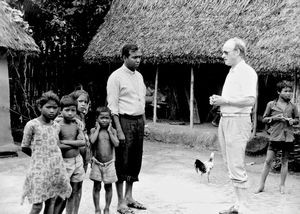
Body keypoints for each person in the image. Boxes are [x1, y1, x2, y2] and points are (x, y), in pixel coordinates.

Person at [209, 37, 258, 214]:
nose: (223, 56)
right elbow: (233, 98)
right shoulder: (233, 71)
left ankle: (244, 207)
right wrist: (219, 101)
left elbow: (249, 100)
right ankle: (238, 204)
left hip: (238, 121)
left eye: (226, 52)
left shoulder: (247, 72)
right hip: (226, 119)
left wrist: (225, 100)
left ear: (237, 52)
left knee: (236, 164)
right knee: (230, 163)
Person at [107, 44, 150, 214]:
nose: (138, 60)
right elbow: (113, 106)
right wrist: (119, 130)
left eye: (139, 57)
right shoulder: (116, 77)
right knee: (122, 161)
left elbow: (141, 103)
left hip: (138, 121)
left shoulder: (139, 76)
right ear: (124, 57)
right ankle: (120, 202)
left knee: (134, 160)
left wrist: (144, 124)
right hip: (124, 121)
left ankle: (129, 196)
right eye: (134, 57)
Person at [21, 91, 72, 214]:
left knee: (52, 200)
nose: (52, 111)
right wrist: (39, 158)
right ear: (40, 107)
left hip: (55, 169)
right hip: (39, 169)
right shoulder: (32, 125)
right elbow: (25, 146)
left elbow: (55, 144)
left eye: (55, 108)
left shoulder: (56, 126)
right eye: (48, 107)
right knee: (37, 204)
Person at [255, 80, 299, 194]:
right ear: (279, 92)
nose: (288, 93)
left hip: (288, 137)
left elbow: (297, 120)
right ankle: (261, 185)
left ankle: (282, 186)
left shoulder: (293, 106)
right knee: (268, 161)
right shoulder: (271, 104)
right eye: (285, 91)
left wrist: (292, 121)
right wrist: (274, 118)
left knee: (285, 161)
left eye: (290, 91)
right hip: (275, 137)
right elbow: (264, 119)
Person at [54, 95, 86, 214]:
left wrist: (65, 141)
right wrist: (75, 143)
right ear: (61, 111)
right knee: (62, 193)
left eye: (73, 110)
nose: (70, 113)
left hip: (77, 161)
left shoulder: (77, 124)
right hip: (64, 163)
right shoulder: (57, 126)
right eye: (67, 110)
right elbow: (57, 146)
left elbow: (83, 143)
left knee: (75, 190)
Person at [89, 106, 119, 214]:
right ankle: (97, 209)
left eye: (107, 118)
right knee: (96, 186)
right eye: (102, 118)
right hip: (97, 163)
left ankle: (107, 208)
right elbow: (92, 141)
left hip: (109, 163)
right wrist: (97, 129)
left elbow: (116, 143)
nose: (105, 120)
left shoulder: (113, 131)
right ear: (97, 119)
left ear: (111, 119)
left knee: (108, 186)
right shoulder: (93, 130)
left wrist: (110, 132)